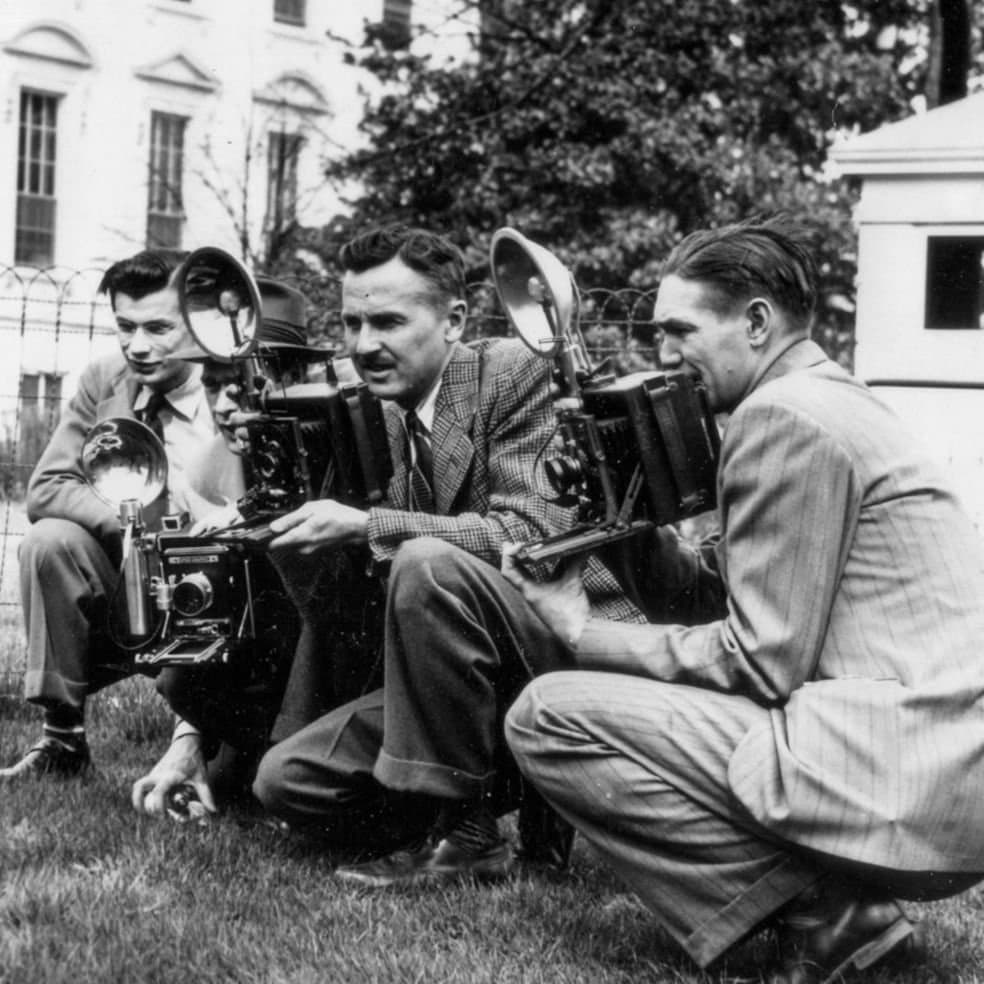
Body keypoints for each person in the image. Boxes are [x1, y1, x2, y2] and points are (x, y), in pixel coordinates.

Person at [502, 221, 984, 983]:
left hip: (898, 773)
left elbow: (760, 661)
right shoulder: (829, 397)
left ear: (756, 322)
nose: (664, 354)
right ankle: (833, 913)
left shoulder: (778, 417)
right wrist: (627, 518)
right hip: (937, 767)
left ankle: (831, 920)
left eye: (680, 330)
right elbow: (718, 595)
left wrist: (581, 631)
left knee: (547, 714)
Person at [244, 224, 645, 885]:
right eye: (350, 323)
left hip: (567, 647)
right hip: (458, 680)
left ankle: (467, 832)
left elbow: (526, 534)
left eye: (389, 321)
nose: (364, 344)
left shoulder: (515, 371)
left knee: (427, 559)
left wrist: (366, 524)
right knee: (287, 782)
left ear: (455, 319)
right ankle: (460, 794)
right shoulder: (377, 406)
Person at [0, 248, 247, 781]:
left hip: (227, 591)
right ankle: (63, 742)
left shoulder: (241, 389)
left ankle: (197, 740)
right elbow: (48, 487)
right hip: (133, 583)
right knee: (49, 542)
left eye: (157, 328)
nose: (137, 346)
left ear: (199, 324)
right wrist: (141, 517)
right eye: (125, 327)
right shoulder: (107, 379)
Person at [128, 278, 380, 820]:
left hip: (350, 663)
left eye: (242, 387)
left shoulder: (347, 444)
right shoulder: (208, 466)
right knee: (182, 678)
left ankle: (295, 760)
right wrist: (187, 741)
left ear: (290, 379)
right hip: (267, 661)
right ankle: (265, 754)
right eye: (213, 385)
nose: (224, 405)